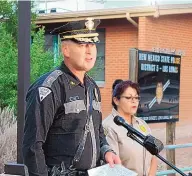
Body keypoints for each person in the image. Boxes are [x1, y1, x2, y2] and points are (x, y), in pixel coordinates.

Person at [22, 18, 121, 176]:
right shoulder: (49, 87)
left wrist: (107, 151)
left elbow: (97, 131)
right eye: (82, 44)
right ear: (66, 50)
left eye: (92, 44)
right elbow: (32, 146)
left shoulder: (92, 87)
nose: (89, 51)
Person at [103, 80, 158, 176]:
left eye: (136, 98)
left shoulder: (142, 123)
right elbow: (114, 166)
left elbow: (154, 155)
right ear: (116, 100)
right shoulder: (109, 126)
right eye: (129, 97)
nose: (134, 101)